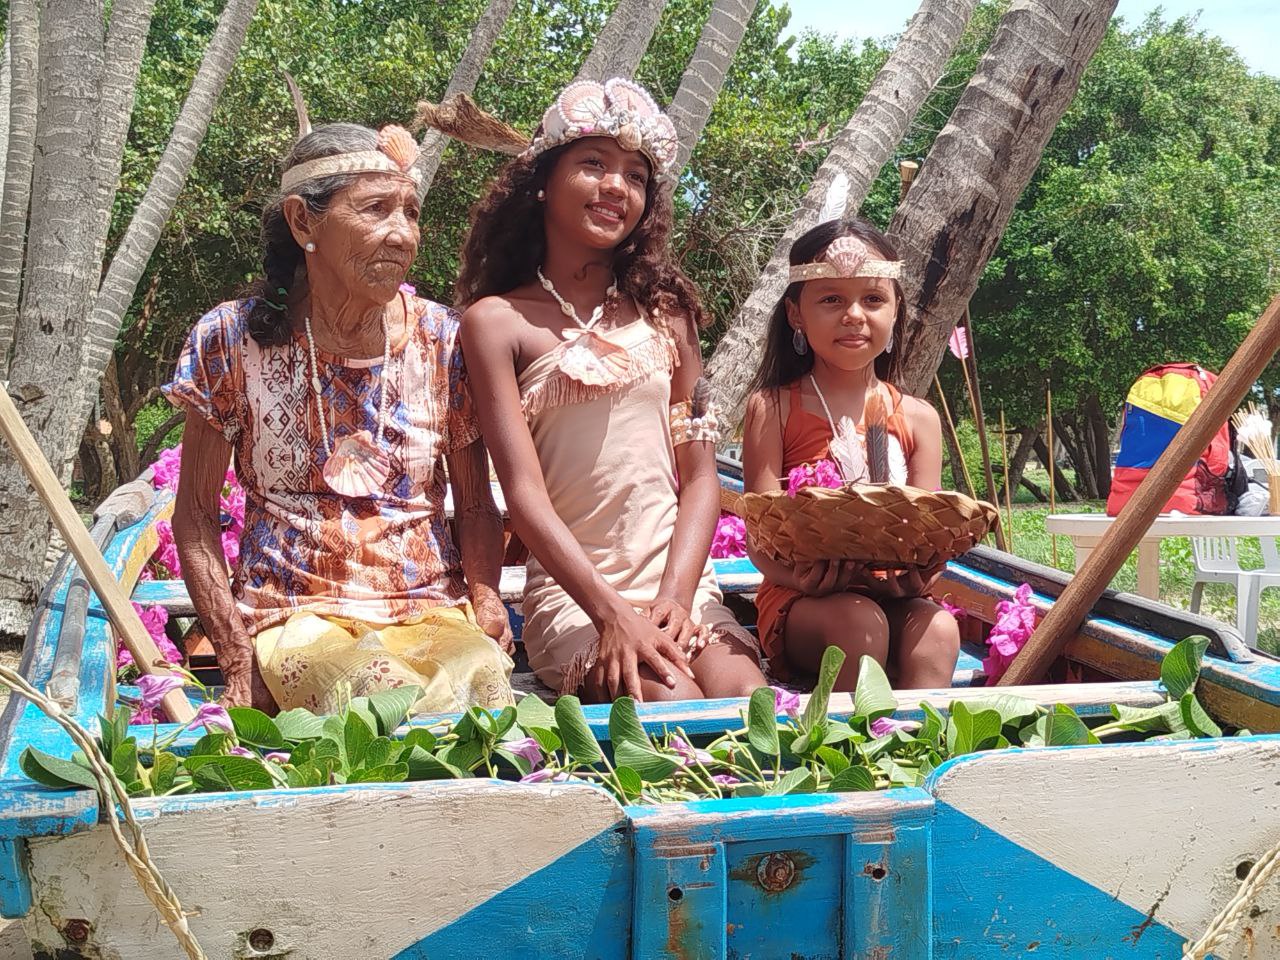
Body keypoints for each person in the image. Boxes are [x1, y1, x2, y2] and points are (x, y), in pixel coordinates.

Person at [164, 121, 515, 715]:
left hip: (429, 606)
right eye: (376, 209)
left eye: (410, 212)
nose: (403, 235)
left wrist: (484, 598)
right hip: (292, 612)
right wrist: (234, 654)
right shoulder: (231, 338)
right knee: (374, 698)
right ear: (304, 222)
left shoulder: (442, 340)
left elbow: (477, 506)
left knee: (484, 683)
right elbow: (196, 515)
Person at [440, 78, 766, 702]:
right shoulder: (496, 323)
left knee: (744, 700)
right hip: (577, 597)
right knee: (673, 705)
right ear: (542, 182)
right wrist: (611, 613)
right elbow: (524, 496)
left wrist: (674, 598)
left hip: (679, 585)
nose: (617, 187)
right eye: (594, 164)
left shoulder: (667, 311)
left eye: (636, 176)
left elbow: (700, 478)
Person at [741, 218, 960, 691]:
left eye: (873, 299)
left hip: (892, 595)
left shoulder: (919, 417)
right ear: (796, 314)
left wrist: (915, 580)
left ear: (897, 309)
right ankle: (843, 754)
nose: (854, 315)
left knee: (939, 630)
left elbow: (928, 533)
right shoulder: (773, 408)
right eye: (832, 299)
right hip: (801, 599)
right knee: (858, 622)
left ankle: (916, 755)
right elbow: (759, 541)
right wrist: (803, 579)